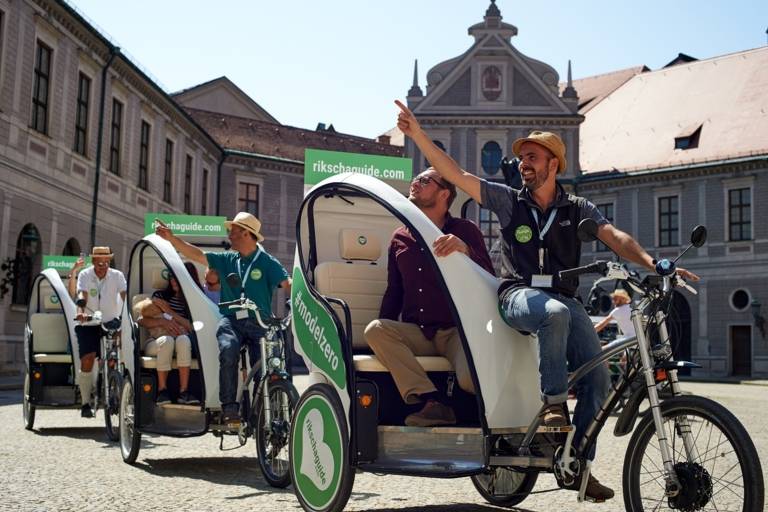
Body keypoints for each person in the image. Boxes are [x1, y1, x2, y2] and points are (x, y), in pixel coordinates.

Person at [395, 100, 699, 501]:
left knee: (599, 381)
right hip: (518, 295)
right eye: (522, 158)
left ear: (554, 164)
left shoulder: (578, 209)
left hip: (564, 299)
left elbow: (616, 237)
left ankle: (576, 462)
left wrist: (653, 263)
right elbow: (456, 174)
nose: (524, 163)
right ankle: (554, 404)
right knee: (553, 313)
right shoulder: (508, 201)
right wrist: (417, 135)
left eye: (532, 157)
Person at [364, 168, 495, 427]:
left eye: (424, 180)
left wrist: (465, 250)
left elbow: (489, 278)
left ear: (444, 193)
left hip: (457, 332)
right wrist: (385, 345)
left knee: (471, 380)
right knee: (376, 330)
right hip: (419, 332)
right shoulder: (399, 236)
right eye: (416, 178)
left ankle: (489, 423)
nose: (415, 183)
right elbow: (394, 291)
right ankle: (433, 403)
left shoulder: (465, 230)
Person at [155, 212, 290, 423]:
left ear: (246, 234)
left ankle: (261, 412)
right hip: (232, 320)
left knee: (265, 366)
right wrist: (172, 239)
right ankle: (229, 408)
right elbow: (197, 255)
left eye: (233, 231)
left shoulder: (267, 262)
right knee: (228, 350)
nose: (230, 235)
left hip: (259, 322)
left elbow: (287, 284)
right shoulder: (227, 259)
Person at [134, 262, 202, 405]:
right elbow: (141, 320)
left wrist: (170, 313)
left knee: (183, 340)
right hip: (156, 340)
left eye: (177, 277)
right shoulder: (159, 296)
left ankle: (184, 392)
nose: (173, 280)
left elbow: (193, 327)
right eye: (171, 277)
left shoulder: (194, 300)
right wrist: (162, 322)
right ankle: (162, 390)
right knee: (167, 340)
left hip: (181, 340)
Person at [75, 246, 126, 418]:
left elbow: (125, 294)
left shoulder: (117, 276)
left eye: (106, 262)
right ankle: (85, 402)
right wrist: (81, 312)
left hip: (110, 321)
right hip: (89, 322)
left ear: (109, 261)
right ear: (93, 261)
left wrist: (128, 314)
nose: (102, 265)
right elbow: (82, 294)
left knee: (113, 357)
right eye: (99, 262)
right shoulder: (85, 275)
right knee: (88, 359)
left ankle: (113, 387)